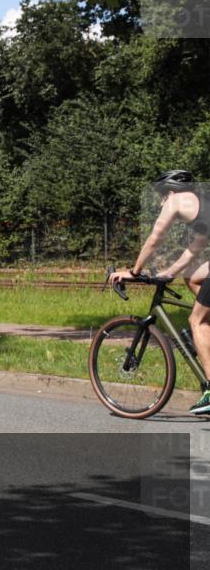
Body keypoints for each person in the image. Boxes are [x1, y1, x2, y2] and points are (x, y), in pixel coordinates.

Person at [110, 170, 210, 415]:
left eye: (161, 197)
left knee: (196, 320)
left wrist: (134, 271)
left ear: (171, 191)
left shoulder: (176, 201)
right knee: (194, 277)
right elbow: (191, 253)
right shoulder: (203, 207)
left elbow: (155, 237)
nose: (160, 203)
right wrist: (168, 272)